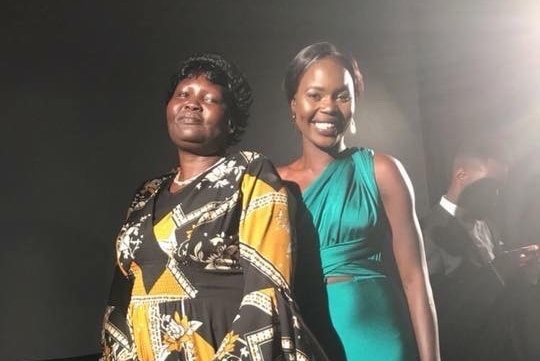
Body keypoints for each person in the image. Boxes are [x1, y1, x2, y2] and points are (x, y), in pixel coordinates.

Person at [100, 53, 328, 361]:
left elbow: (267, 292)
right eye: (183, 94)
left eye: (210, 99)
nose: (192, 103)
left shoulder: (251, 175)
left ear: (231, 120)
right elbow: (120, 299)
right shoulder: (146, 194)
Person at [277, 42, 440, 361]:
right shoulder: (273, 184)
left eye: (342, 95)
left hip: (378, 337)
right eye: (315, 95)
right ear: (293, 103)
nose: (329, 107)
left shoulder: (382, 171)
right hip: (307, 336)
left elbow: (415, 279)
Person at [421, 143, 540, 361]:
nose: (497, 195)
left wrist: (525, 269)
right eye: (491, 185)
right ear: (461, 175)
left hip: (505, 345)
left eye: (500, 188)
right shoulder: (425, 232)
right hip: (465, 349)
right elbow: (441, 305)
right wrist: (503, 266)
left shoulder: (490, 226)